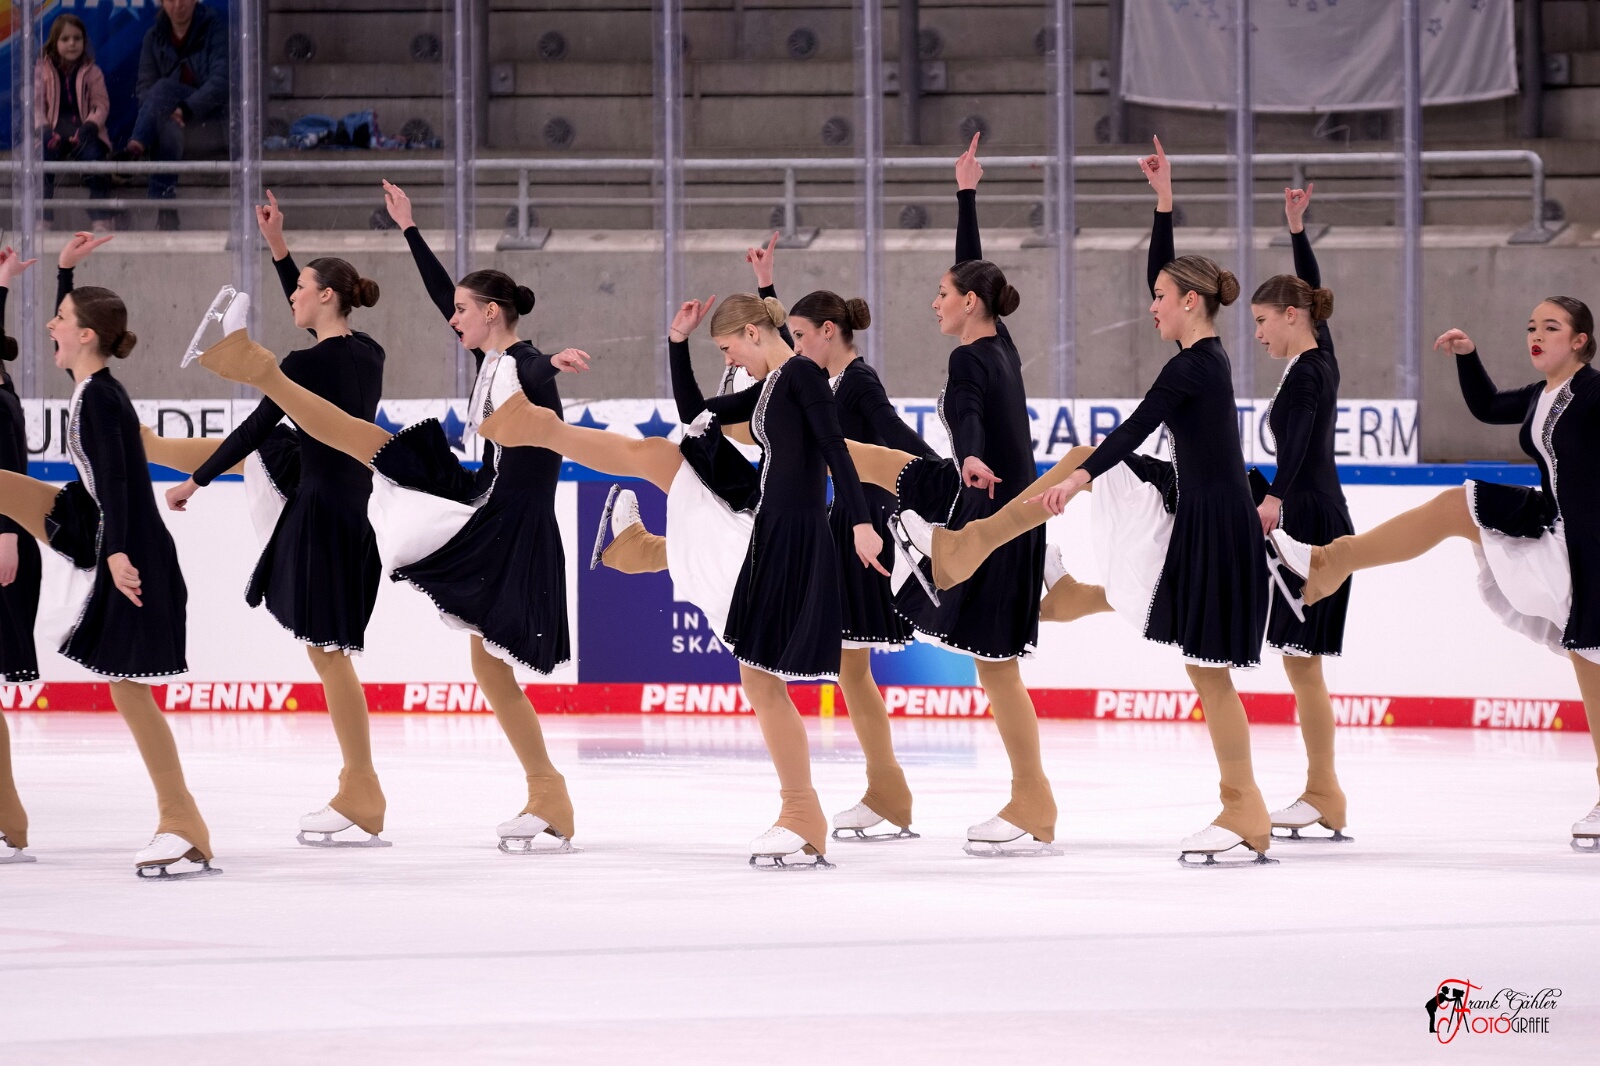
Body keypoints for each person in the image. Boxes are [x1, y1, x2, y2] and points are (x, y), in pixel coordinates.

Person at [194, 180, 591, 855]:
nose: (452, 319)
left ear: (492, 312)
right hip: (485, 504)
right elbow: (437, 301)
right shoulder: (490, 358)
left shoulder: (520, 363)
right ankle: (547, 794)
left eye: (464, 311)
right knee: (490, 668)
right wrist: (408, 230)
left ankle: (538, 793)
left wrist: (550, 362)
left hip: (506, 521)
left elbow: (534, 372)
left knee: (378, 459)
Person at [1274, 296, 1600, 852]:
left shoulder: (1592, 393)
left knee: (1590, 665)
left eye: (1551, 327)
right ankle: (1332, 560)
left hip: (1590, 543)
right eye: (1531, 327)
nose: (1536, 335)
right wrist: (1467, 357)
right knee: (1456, 506)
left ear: (1580, 342)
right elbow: (1488, 406)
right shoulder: (1541, 395)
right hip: (1554, 524)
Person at [833, 134, 1058, 857]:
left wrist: (967, 455)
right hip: (1009, 514)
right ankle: (1033, 799)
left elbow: (965, 414)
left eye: (941, 294)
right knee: (998, 666)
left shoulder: (970, 358)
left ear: (968, 303)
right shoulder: (1000, 344)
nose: (933, 303)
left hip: (989, 513)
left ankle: (1033, 801)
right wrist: (965, 194)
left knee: (996, 667)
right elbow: (976, 274)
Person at [163, 191, 389, 848]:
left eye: (300, 291)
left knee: (328, 654)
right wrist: (280, 250)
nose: (292, 298)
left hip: (317, 509)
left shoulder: (301, 367)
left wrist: (196, 481)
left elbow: (257, 426)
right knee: (331, 652)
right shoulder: (368, 351)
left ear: (327, 297)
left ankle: (362, 788)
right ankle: (360, 785)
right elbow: (317, 335)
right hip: (354, 508)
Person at [0, 234, 218, 879]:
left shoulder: (99, 396)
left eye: (61, 320)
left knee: (128, 688)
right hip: (104, 530)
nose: (51, 327)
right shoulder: (92, 385)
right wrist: (65, 274)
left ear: (88, 336)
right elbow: (112, 484)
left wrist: (119, 553)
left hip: (131, 545)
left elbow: (122, 480)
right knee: (126, 688)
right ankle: (180, 822)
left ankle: (183, 825)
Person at [747, 233, 933, 841]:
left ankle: (888, 790)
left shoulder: (858, 382)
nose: (796, 347)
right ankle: (888, 791)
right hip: (846, 525)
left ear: (830, 332)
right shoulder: (823, 378)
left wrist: (943, 475)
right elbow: (783, 350)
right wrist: (766, 287)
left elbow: (894, 433)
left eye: (804, 336)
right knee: (853, 670)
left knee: (854, 669)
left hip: (867, 526)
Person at [1249, 184, 1354, 843]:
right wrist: (1296, 230)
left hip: (1311, 519)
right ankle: (1323, 793)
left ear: (1290, 317)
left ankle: (1324, 793)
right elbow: (1313, 296)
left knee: (1304, 661)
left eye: (1263, 320)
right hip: (1315, 511)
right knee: (1300, 661)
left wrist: (1274, 498)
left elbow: (1303, 439)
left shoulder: (1311, 373)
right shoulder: (1319, 356)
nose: (1258, 333)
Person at [0, 248, 41, 866]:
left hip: (3, 542)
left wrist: (6, 534)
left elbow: (8, 466)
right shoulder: (3, 385)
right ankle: (8, 818)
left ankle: (9, 818)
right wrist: (4, 281)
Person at [119, 0, 229, 228]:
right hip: (171, 125)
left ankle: (135, 147)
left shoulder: (214, 28)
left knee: (163, 88)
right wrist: (166, 114)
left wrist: (186, 109)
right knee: (167, 125)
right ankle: (166, 213)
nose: (178, 5)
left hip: (208, 122)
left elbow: (220, 83)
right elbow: (144, 89)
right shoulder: (154, 36)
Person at [34, 14, 114, 232]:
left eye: (77, 38)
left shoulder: (92, 71)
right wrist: (43, 129)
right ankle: (42, 218)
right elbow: (36, 106)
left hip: (84, 134)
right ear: (54, 42)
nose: (72, 44)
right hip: (54, 134)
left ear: (84, 42)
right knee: (41, 163)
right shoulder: (42, 71)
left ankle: (101, 218)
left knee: (96, 162)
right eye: (65, 39)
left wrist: (90, 126)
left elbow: (101, 104)